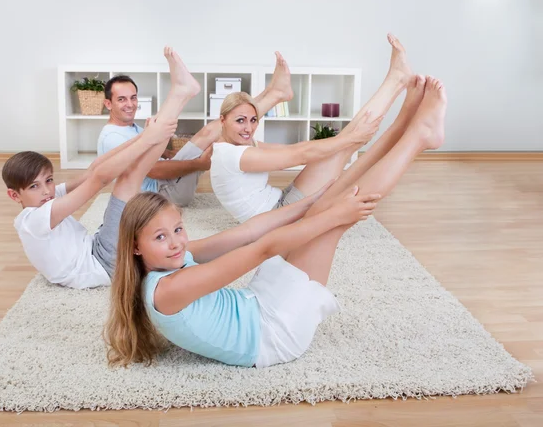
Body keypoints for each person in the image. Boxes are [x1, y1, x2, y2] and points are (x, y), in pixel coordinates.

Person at [104, 75, 447, 368]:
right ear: (135, 246)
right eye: (161, 237)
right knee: (336, 219)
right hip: (273, 333)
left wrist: (312, 203)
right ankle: (418, 137)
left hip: (256, 303)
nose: (176, 242)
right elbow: (261, 248)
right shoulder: (169, 288)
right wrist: (333, 215)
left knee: (327, 202)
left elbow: (247, 232)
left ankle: (404, 123)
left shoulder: (169, 261)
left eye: (177, 229)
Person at [2, 47, 201, 289]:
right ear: (15, 195)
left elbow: (92, 170)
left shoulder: (46, 200)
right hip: (103, 264)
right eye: (34, 186)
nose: (46, 191)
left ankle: (180, 93)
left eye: (49, 181)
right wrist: (149, 138)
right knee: (129, 177)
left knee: (131, 173)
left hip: (96, 247)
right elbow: (98, 180)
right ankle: (179, 95)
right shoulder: (33, 219)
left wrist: (146, 137)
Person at [210, 34, 414, 223]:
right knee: (346, 143)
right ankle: (396, 81)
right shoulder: (232, 155)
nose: (248, 128)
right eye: (240, 121)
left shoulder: (235, 145)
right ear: (222, 120)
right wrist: (350, 139)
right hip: (277, 220)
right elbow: (299, 155)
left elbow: (289, 150)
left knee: (346, 143)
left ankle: (396, 81)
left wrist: (349, 139)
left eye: (253, 120)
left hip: (281, 203)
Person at [97, 74, 218, 207]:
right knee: (210, 132)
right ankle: (180, 92)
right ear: (108, 104)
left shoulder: (130, 128)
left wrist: (170, 154)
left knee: (211, 131)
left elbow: (150, 151)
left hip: (165, 184)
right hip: (160, 195)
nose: (130, 104)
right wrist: (199, 164)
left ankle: (182, 90)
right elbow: (154, 170)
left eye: (133, 98)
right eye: (122, 99)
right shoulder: (112, 137)